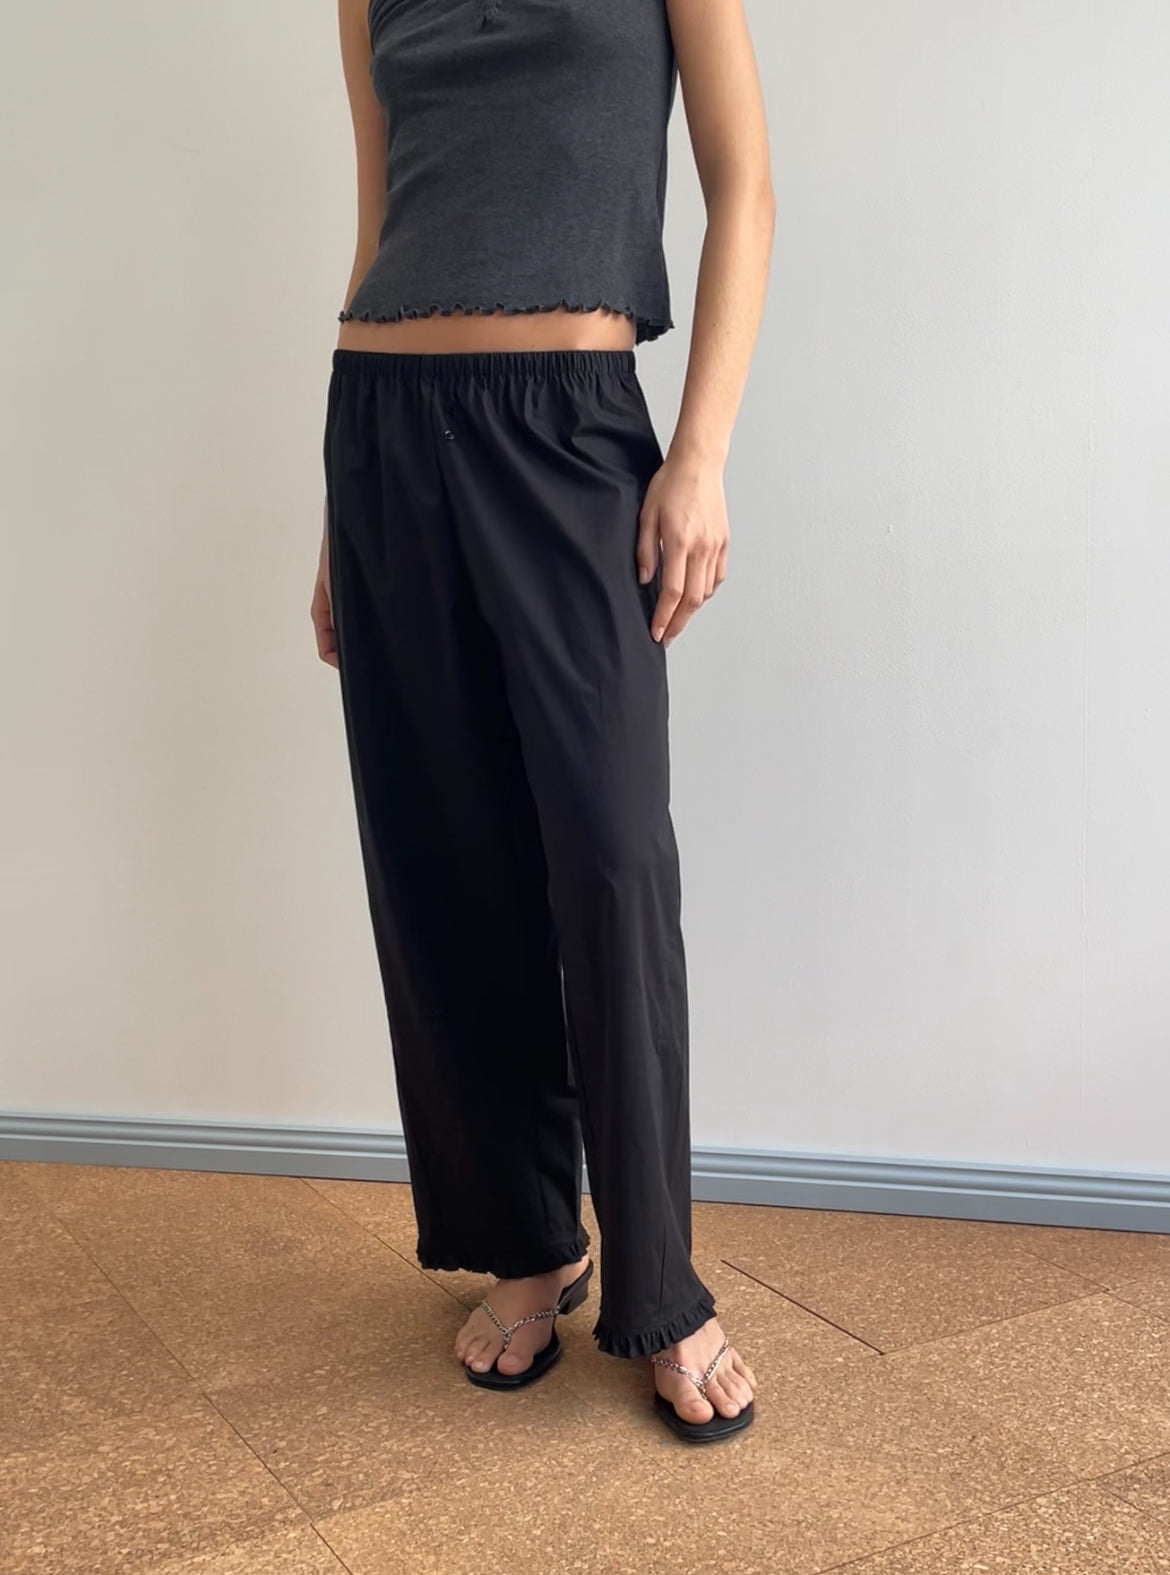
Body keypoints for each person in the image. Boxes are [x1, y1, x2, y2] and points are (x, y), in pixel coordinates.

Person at [311, 0, 774, 1444]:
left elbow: (744, 184)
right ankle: (528, 1244)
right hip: (383, 424)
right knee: (446, 863)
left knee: (612, 861)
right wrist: (340, 511)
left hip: (572, 426)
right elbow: (379, 213)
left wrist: (694, 452)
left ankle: (660, 1286)